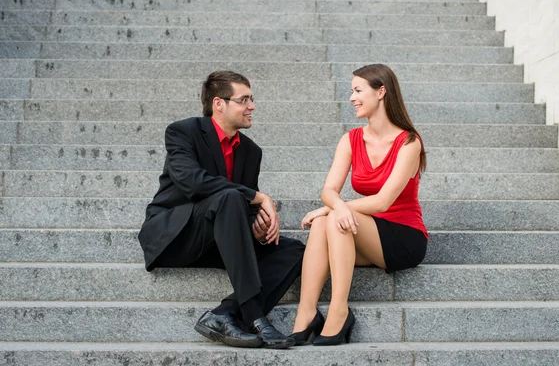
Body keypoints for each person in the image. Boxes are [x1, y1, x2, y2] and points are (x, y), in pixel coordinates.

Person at [138, 70, 304, 349]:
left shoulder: (251, 151)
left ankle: (225, 313)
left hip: (221, 238)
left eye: (252, 99)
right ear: (219, 103)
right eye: (244, 100)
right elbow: (191, 182)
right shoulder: (183, 131)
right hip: (177, 235)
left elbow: (242, 208)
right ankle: (254, 315)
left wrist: (257, 228)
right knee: (228, 197)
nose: (252, 106)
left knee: (294, 249)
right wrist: (257, 197)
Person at [288, 64, 428, 346]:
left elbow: (383, 201)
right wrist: (334, 207)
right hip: (364, 229)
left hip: (403, 236)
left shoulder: (409, 143)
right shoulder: (351, 139)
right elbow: (328, 190)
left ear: (381, 92)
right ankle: (306, 313)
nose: (351, 97)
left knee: (333, 218)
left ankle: (339, 311)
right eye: (351, 91)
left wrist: (335, 208)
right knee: (324, 222)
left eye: (357, 90)